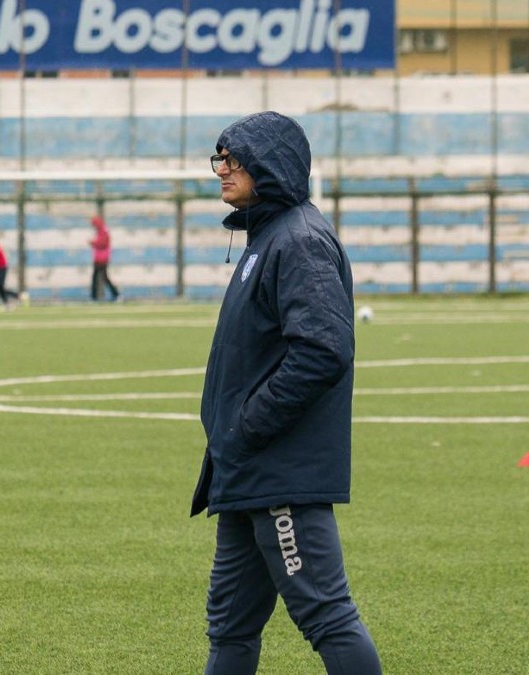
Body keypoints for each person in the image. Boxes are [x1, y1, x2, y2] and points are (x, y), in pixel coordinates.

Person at [191, 112, 381, 675]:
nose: (221, 169)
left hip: (278, 472)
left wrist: (248, 425)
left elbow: (323, 350)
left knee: (326, 616)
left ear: (267, 165)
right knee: (229, 626)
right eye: (218, 158)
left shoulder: (297, 240)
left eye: (233, 158)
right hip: (246, 471)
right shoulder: (268, 235)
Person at [88, 215, 120, 302]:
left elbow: (103, 243)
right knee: (100, 277)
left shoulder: (103, 231)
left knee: (100, 278)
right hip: (99, 258)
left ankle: (115, 294)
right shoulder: (101, 231)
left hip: (102, 259)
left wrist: (93, 243)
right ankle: (114, 294)